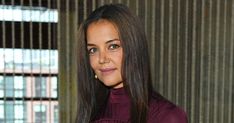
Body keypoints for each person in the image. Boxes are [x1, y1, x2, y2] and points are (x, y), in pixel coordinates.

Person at [76, 4, 188, 123]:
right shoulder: (89, 112)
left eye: (113, 46)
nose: (102, 59)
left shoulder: (168, 116)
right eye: (93, 50)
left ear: (134, 48)